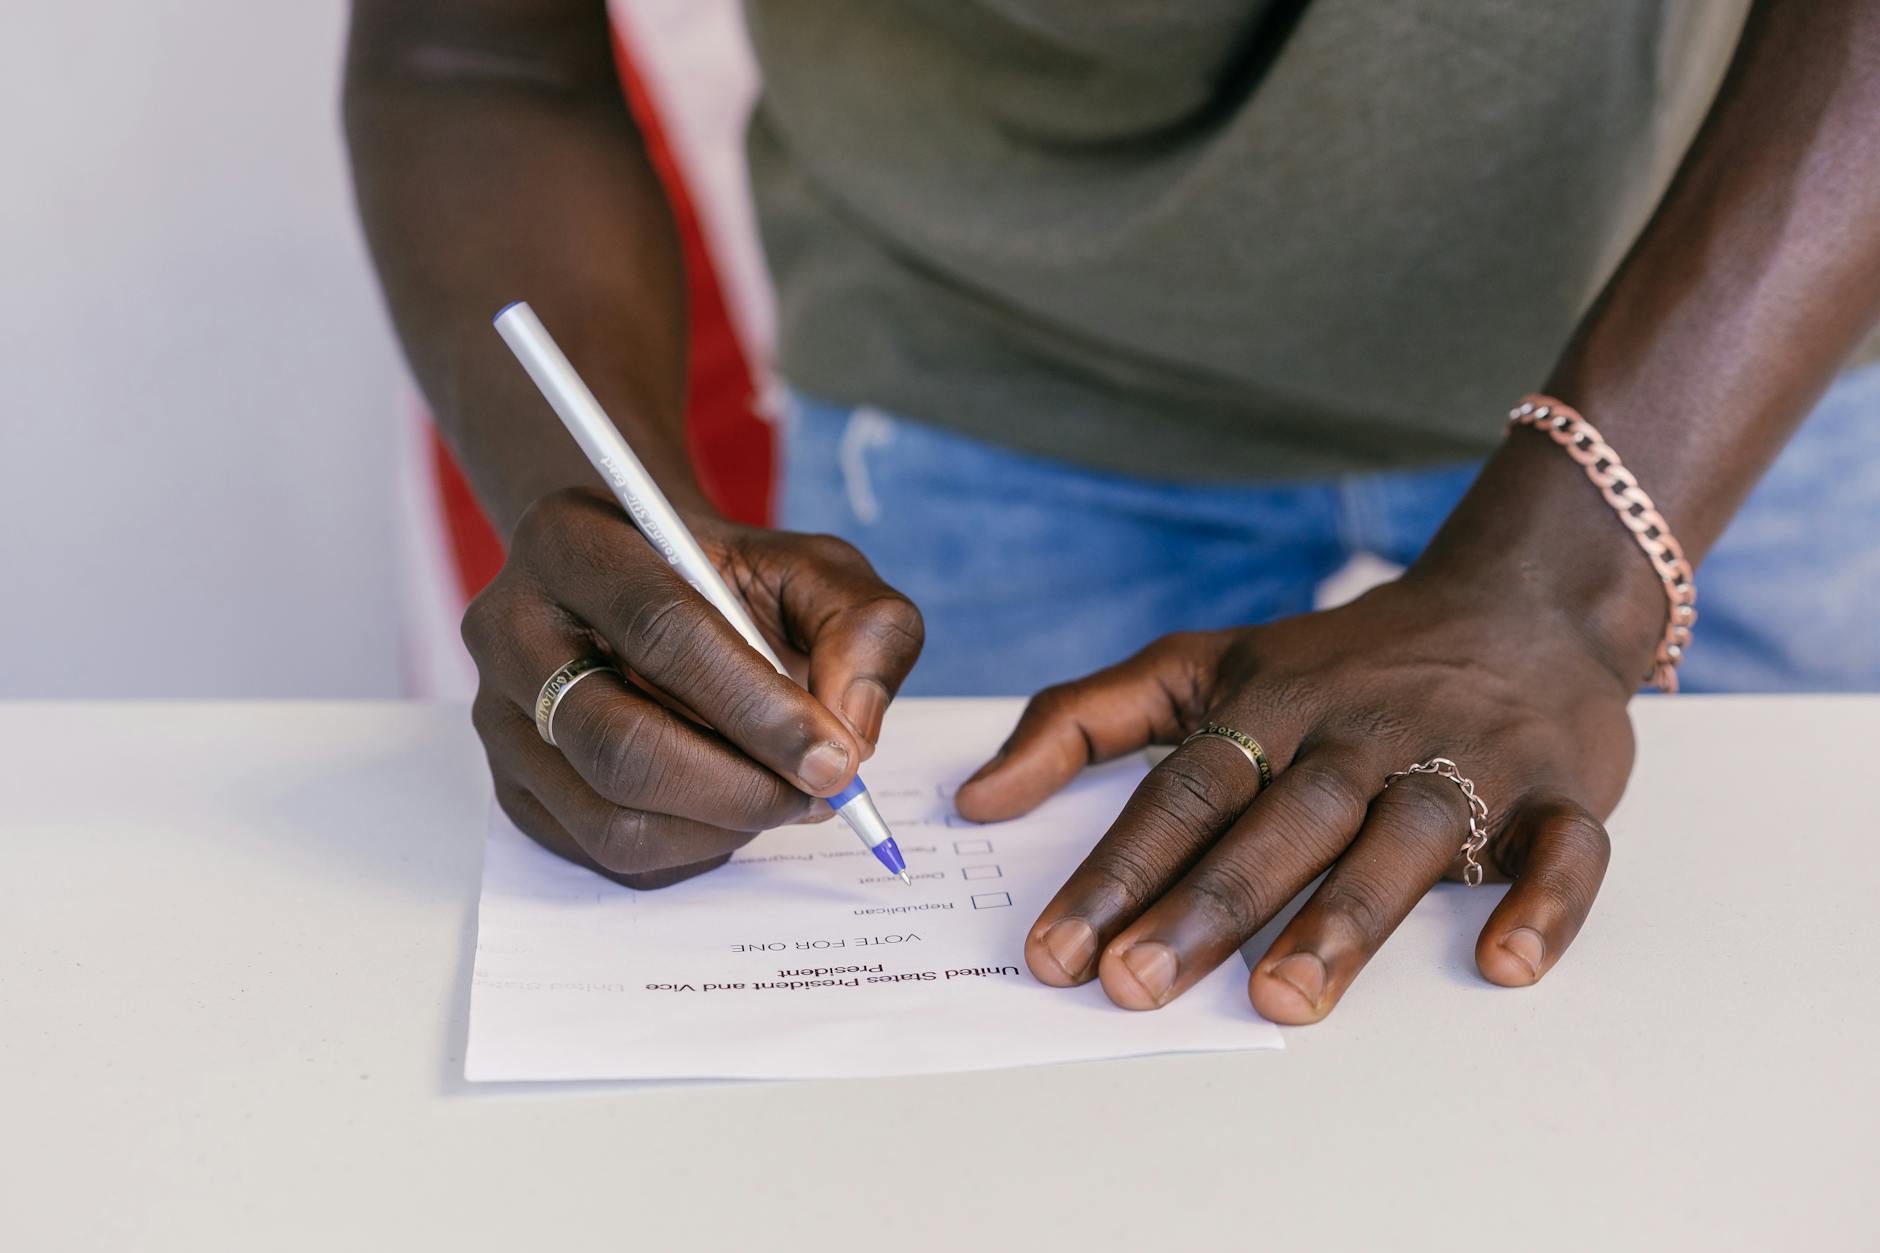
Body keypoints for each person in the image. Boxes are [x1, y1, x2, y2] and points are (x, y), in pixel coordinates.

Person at [344, 1, 1880, 1025]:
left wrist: (1572, 581)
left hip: (1728, 330)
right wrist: (617, 541)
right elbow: (476, 54)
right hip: (993, 372)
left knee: (1765, 1043)